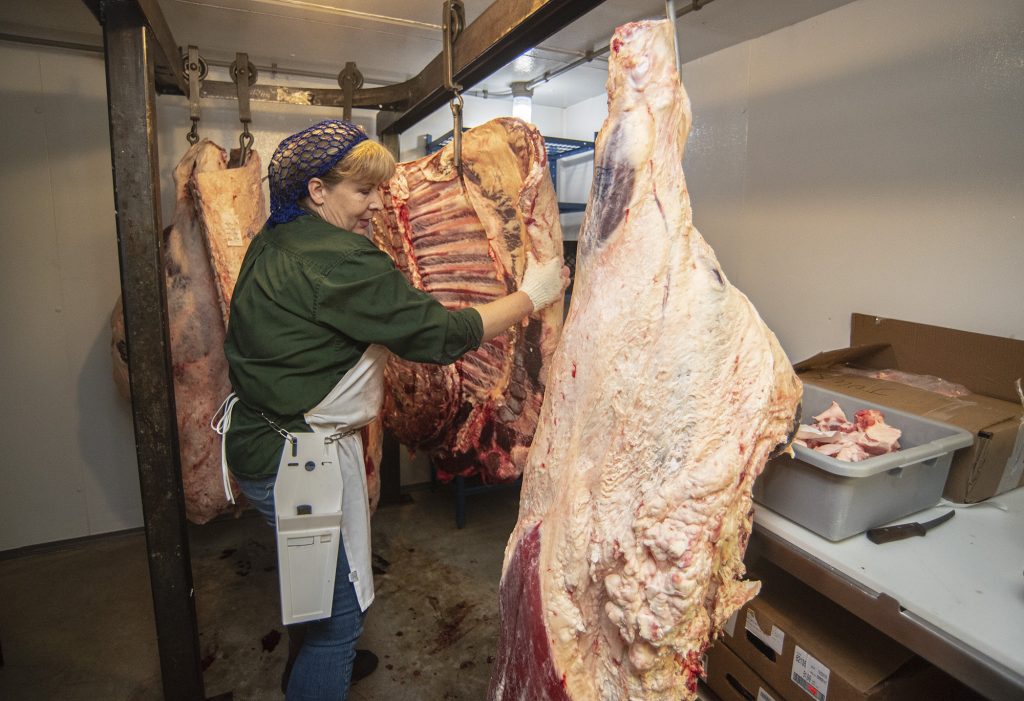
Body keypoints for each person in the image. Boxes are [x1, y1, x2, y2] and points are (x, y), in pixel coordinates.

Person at [214, 119, 568, 701]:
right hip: (298, 460)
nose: (377, 205)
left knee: (313, 584)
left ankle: (316, 660)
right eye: (362, 192)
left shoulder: (276, 239)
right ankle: (322, 664)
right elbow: (443, 335)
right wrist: (533, 295)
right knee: (340, 616)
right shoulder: (339, 260)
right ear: (316, 191)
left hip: (261, 440)